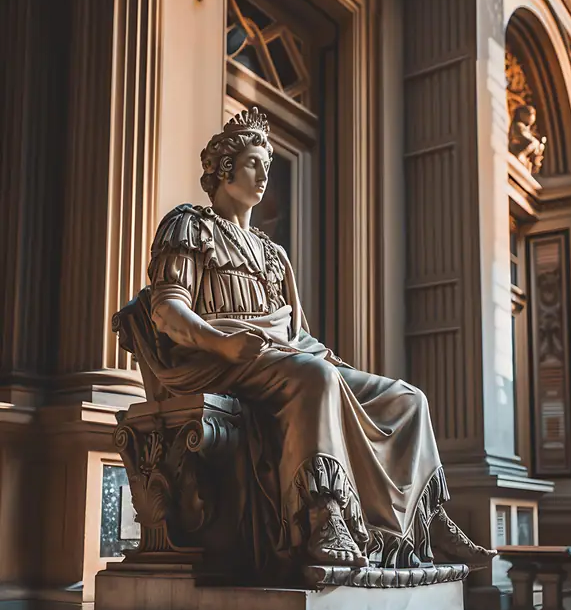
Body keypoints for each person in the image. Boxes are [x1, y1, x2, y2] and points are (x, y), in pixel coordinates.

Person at [123, 107, 492, 574]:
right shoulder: (189, 225)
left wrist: (331, 363)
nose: (263, 176)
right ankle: (322, 513)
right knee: (316, 377)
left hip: (284, 353)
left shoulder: (273, 254)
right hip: (220, 356)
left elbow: (300, 334)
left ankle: (427, 520)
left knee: (407, 398)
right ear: (224, 169)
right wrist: (222, 343)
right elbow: (166, 311)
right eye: (254, 163)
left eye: (267, 167)